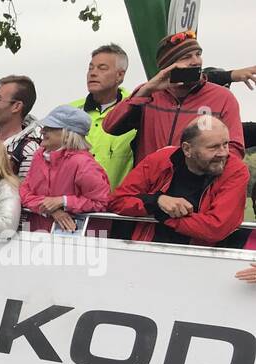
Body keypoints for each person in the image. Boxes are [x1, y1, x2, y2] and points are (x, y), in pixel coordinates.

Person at [102, 31, 247, 164]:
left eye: (198, 54)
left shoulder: (222, 97)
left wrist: (207, 178)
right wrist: (144, 91)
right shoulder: (148, 94)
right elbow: (110, 127)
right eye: (186, 57)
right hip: (149, 186)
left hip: (197, 188)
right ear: (168, 66)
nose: (196, 61)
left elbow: (234, 149)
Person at [109, 116, 248, 247]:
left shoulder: (235, 170)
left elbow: (216, 228)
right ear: (187, 149)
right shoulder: (160, 160)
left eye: (225, 144)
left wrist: (162, 213)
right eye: (213, 147)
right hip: (148, 250)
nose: (223, 153)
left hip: (202, 260)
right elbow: (117, 201)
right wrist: (157, 201)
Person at [18, 105, 110, 233]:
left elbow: (101, 203)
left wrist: (64, 201)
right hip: (36, 235)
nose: (42, 131)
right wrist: (51, 209)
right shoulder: (39, 156)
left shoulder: (84, 164)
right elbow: (24, 192)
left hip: (76, 241)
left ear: (67, 134)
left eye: (49, 128)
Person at [71, 44, 137, 189]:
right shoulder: (71, 111)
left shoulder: (137, 110)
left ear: (120, 75)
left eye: (102, 68)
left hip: (117, 207)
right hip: (72, 206)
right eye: (90, 68)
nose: (93, 73)